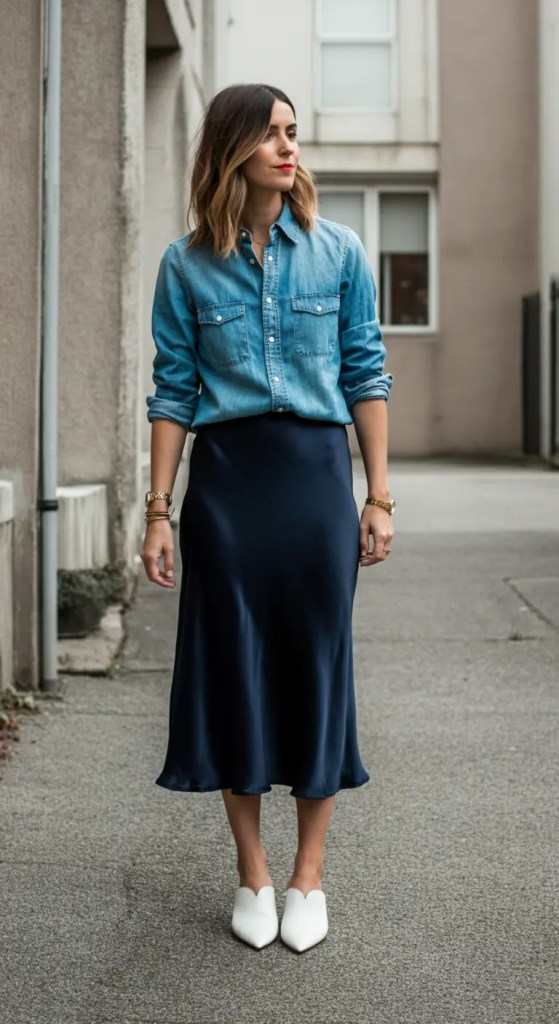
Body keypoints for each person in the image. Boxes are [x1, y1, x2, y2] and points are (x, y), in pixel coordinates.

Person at [140, 83, 395, 954]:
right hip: (227, 489)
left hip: (316, 481)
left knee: (317, 666)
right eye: (271, 135)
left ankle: (307, 876)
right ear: (232, 149)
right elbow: (173, 391)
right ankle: (251, 873)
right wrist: (158, 510)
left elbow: (366, 372)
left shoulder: (340, 252)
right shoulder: (185, 265)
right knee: (233, 672)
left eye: (294, 134)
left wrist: (378, 495)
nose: (289, 149)